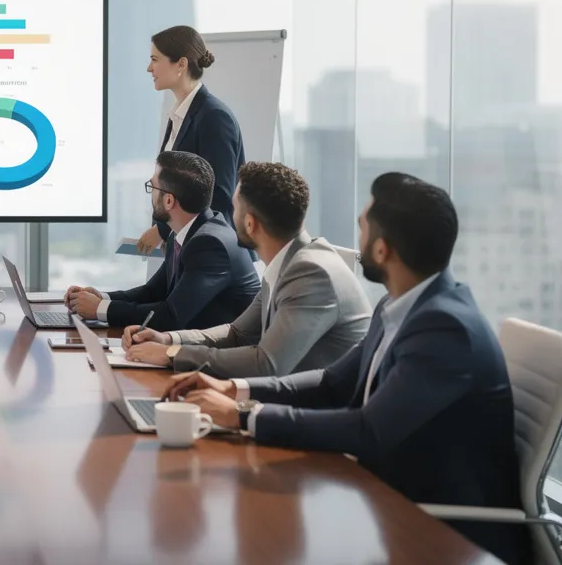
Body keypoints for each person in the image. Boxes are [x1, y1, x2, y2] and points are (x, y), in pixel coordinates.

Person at [164, 173, 526, 565]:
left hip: (442, 532)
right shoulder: (401, 304)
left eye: (362, 227)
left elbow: (370, 430)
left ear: (383, 250)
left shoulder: (446, 329)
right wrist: (235, 390)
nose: (356, 238)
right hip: (383, 497)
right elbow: (331, 382)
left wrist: (244, 416)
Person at [123, 162, 371, 377]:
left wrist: (172, 354)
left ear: (250, 223)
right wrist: (168, 339)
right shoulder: (288, 262)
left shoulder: (310, 273)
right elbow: (237, 333)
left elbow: (266, 363)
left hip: (315, 417)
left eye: (235, 209)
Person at [66, 151, 259, 330]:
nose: (150, 194)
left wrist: (101, 309)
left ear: (169, 201)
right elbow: (152, 292)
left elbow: (171, 316)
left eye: (152, 187)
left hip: (219, 359)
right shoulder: (183, 232)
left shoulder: (209, 244)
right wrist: (100, 297)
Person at [134, 25, 245, 255]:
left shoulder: (214, 117)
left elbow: (220, 196)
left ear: (181, 64)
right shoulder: (179, 115)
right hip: (186, 250)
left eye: (155, 59)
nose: (149, 68)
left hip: (212, 254)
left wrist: (163, 230)